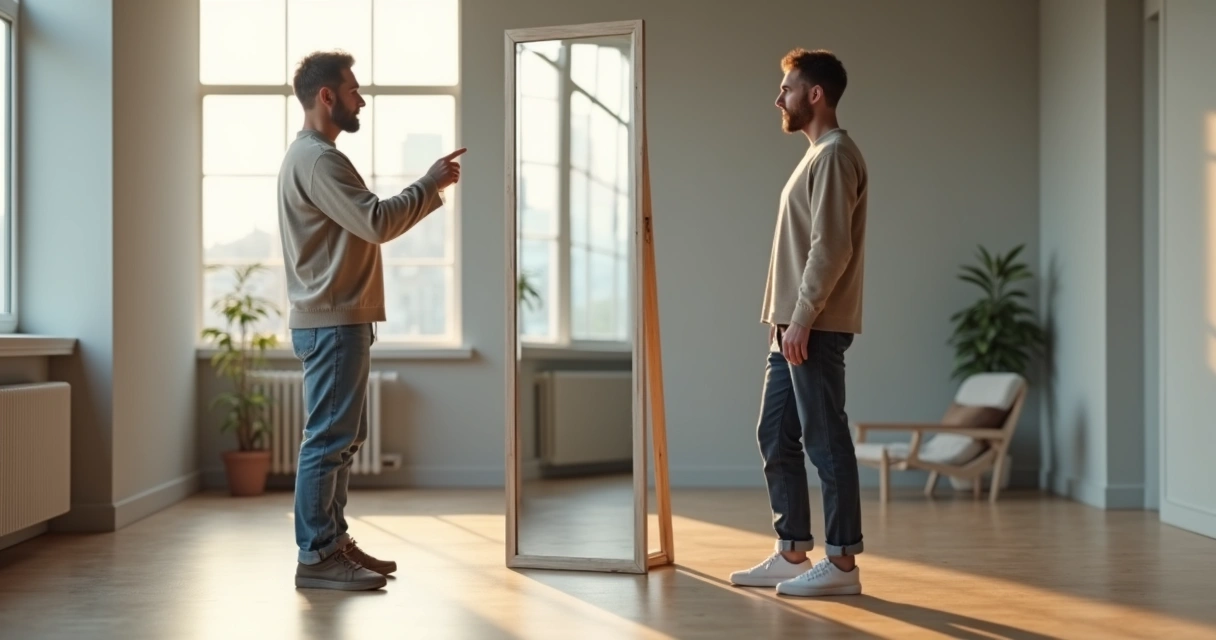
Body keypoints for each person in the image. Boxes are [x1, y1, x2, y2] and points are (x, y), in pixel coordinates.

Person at [278, 50, 465, 591]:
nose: (362, 99)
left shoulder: (315, 157)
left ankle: (332, 543)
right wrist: (430, 183)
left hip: (337, 318)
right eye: (354, 89)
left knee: (343, 436)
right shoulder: (318, 160)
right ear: (327, 97)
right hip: (333, 320)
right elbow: (377, 221)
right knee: (328, 440)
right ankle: (316, 557)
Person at [729, 48, 868, 597]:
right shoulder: (814, 156)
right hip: (791, 326)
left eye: (787, 88)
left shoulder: (834, 154)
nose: (778, 98)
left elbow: (830, 247)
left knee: (825, 439)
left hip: (812, 325)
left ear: (814, 94)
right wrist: (783, 319)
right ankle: (792, 551)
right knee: (776, 434)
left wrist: (804, 319)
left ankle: (842, 565)